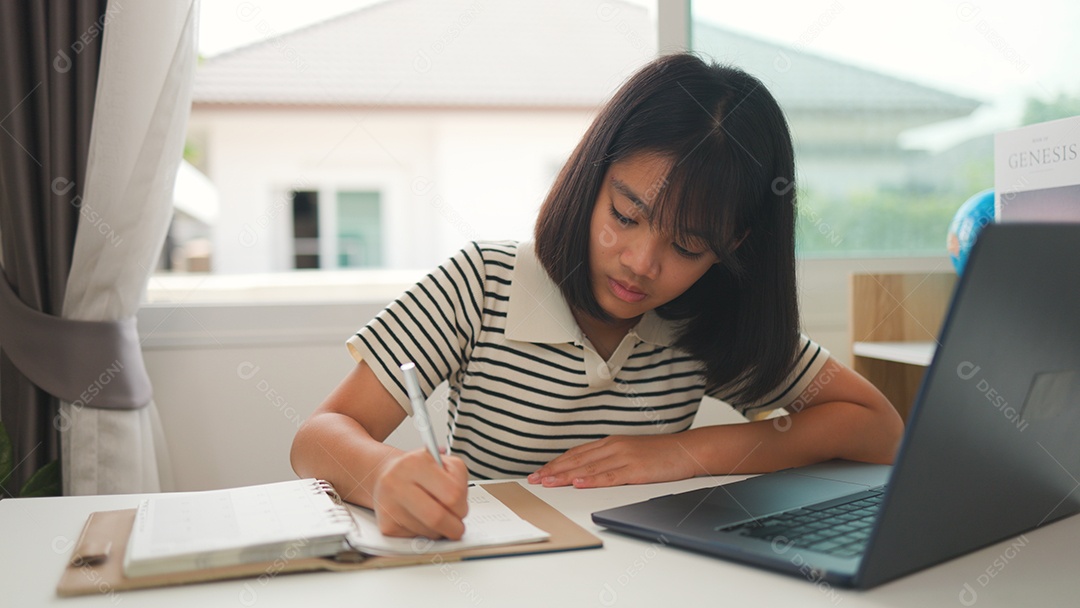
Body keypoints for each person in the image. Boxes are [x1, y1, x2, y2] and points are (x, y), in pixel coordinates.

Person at [290, 53, 904, 541]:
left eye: (689, 246)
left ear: (732, 246)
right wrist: (381, 476)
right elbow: (317, 437)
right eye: (625, 214)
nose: (641, 264)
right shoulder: (486, 283)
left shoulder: (707, 317)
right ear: (591, 175)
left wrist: (686, 453)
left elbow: (877, 428)